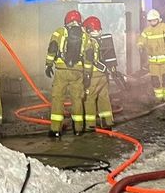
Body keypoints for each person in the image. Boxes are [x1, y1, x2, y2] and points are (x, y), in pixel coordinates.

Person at [45, 9, 91, 138]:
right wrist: (87, 73)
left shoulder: (59, 32)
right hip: (78, 72)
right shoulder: (85, 36)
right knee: (77, 99)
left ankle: (55, 130)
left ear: (67, 20)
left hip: (61, 70)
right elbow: (89, 57)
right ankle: (78, 129)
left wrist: (48, 64)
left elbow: (52, 47)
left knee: (58, 99)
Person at [82, 15, 119, 129]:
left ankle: (90, 124)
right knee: (104, 97)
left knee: (89, 99)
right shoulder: (103, 39)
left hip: (92, 75)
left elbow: (87, 60)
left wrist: (86, 75)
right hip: (103, 75)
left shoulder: (88, 42)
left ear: (88, 29)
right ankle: (107, 121)